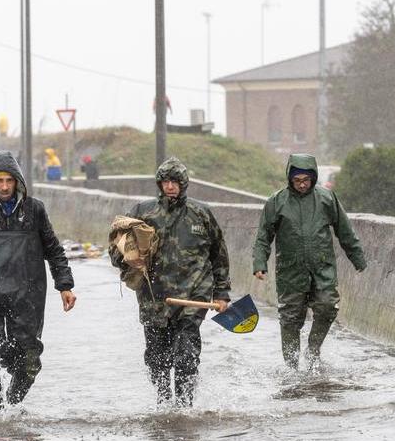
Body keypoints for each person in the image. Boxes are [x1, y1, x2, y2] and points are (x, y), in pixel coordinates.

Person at [0, 151, 76, 409]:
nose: (5, 186)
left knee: (29, 360)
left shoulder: (35, 210)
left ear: (17, 181)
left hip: (27, 293)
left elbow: (53, 249)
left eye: (9, 180)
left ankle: (12, 405)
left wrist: (65, 285)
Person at [112, 157, 230, 407]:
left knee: (186, 354)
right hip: (154, 298)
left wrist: (222, 293)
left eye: (175, 182)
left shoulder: (201, 214)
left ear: (184, 184)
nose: (170, 187)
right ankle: (164, 403)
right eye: (165, 182)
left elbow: (219, 254)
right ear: (159, 184)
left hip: (193, 296)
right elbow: (117, 249)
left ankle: (185, 407)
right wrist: (129, 259)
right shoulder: (142, 213)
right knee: (157, 359)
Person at [252, 153, 366, 370]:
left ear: (313, 178)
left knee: (327, 307)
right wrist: (259, 263)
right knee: (290, 319)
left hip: (322, 268)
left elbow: (345, 230)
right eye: (297, 181)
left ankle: (313, 349)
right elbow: (263, 236)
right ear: (290, 179)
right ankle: (291, 367)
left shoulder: (326, 199)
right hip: (290, 271)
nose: (302, 185)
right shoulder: (277, 202)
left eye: (306, 180)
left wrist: (357, 258)